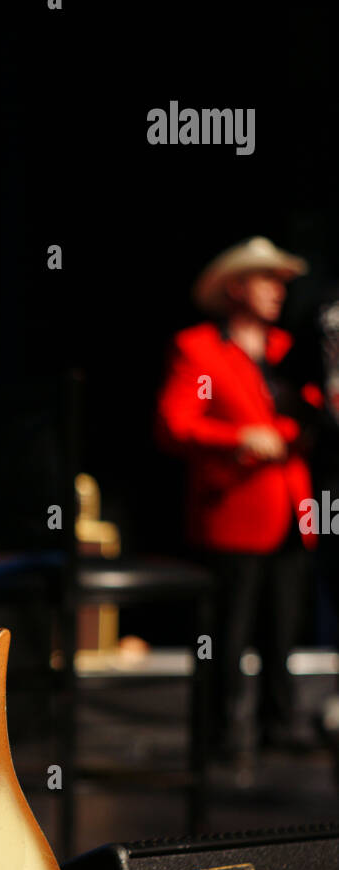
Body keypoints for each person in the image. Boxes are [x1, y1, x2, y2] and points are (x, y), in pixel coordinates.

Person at [155, 237, 317, 759]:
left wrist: (296, 427)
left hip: (292, 506)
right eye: (267, 278)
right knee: (227, 631)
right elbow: (176, 423)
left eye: (281, 281)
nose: (278, 290)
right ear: (236, 286)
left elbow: (312, 411)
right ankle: (220, 737)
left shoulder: (288, 352)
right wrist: (240, 437)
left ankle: (280, 725)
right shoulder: (199, 348)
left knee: (283, 627)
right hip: (233, 510)